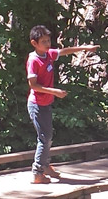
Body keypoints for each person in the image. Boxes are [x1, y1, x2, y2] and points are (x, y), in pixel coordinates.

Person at [26, 26, 99, 184]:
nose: (47, 44)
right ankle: (37, 172)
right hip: (36, 104)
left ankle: (45, 166)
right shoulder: (33, 60)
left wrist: (85, 48)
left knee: (48, 137)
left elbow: (65, 51)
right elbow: (33, 85)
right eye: (43, 41)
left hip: (46, 104)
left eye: (48, 40)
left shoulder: (48, 55)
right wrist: (54, 92)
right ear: (34, 43)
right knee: (44, 138)